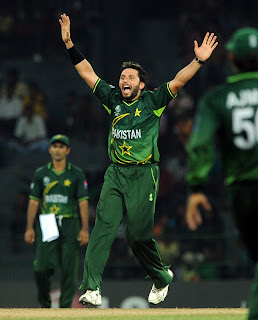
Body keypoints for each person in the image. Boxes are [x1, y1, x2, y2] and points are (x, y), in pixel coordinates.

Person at [59, 13, 218, 306]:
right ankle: (92, 288)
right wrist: (69, 43)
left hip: (145, 174)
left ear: (141, 84)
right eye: (122, 77)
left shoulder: (153, 101)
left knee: (138, 236)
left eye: (131, 77)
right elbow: (87, 73)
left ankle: (161, 277)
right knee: (103, 228)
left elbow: (179, 81)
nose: (124, 80)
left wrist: (198, 61)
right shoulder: (113, 100)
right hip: (116, 174)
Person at [185, 27, 258, 320]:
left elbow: (200, 145)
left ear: (230, 58)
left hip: (242, 194)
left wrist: (196, 188)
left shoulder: (217, 98)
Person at [24, 134, 90, 308]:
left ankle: (65, 309)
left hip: (70, 222)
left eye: (61, 146)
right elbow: (33, 201)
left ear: (67, 150)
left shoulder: (76, 173)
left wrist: (84, 228)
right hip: (47, 221)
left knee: (70, 269)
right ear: (50, 149)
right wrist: (29, 228)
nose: (58, 149)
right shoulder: (41, 174)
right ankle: (45, 305)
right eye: (55, 146)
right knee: (42, 267)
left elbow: (82, 202)